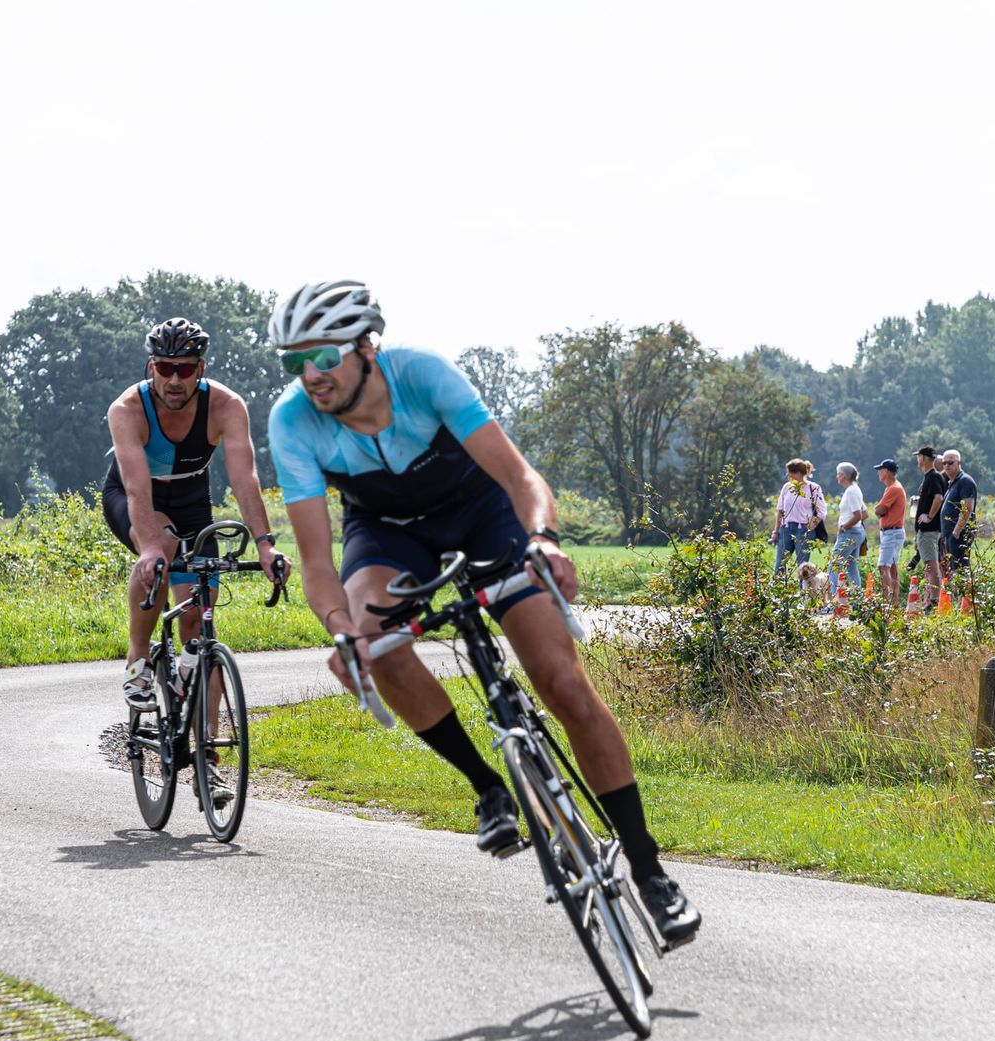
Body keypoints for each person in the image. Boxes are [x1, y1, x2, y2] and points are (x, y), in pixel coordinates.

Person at [265, 280, 700, 944]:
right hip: (386, 532)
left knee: (564, 686)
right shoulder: (292, 420)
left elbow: (520, 477)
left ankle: (650, 872)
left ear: (365, 347)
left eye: (322, 356)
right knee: (374, 637)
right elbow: (319, 565)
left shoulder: (423, 373)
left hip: (480, 512)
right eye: (294, 362)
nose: (310, 376)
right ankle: (487, 786)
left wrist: (545, 541)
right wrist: (339, 627)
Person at [104, 318, 291, 714]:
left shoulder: (226, 406)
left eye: (185, 368)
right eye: (164, 368)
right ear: (151, 367)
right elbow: (137, 487)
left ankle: (209, 748)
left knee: (198, 617)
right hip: (134, 497)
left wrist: (264, 546)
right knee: (164, 548)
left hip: (192, 501)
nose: (174, 379)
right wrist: (150, 547)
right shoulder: (127, 409)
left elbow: (245, 479)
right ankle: (138, 660)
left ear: (200, 370)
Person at [772, 459, 827, 579]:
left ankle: (803, 594)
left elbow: (822, 511)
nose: (788, 475)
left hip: (803, 531)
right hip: (785, 529)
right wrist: (775, 531)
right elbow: (780, 510)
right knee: (779, 565)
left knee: (803, 567)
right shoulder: (786, 487)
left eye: (789, 472)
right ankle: (777, 594)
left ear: (797, 473)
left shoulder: (814, 488)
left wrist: (813, 524)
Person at [912, 446, 947, 610]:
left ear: (924, 458)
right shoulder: (930, 477)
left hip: (929, 530)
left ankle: (935, 601)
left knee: (932, 565)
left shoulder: (933, 477)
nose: (917, 460)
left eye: (918, 457)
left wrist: (930, 516)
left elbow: (938, 498)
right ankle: (932, 598)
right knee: (929, 565)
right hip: (926, 531)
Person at [872, 459, 907, 605]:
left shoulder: (893, 488)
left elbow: (879, 510)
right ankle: (894, 602)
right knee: (892, 566)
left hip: (891, 533)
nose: (878, 473)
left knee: (883, 566)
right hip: (894, 532)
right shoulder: (893, 488)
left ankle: (886, 601)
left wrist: (878, 509)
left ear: (886, 471)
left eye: (880, 469)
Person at [940, 450, 978, 578]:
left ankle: (965, 596)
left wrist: (956, 531)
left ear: (959, 463)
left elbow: (967, 508)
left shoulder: (965, 481)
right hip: (950, 534)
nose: (946, 466)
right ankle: (958, 596)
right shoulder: (953, 482)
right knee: (953, 569)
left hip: (959, 534)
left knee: (960, 569)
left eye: (950, 462)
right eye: (944, 463)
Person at [830, 462, 867, 593]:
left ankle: (834, 600)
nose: (837, 477)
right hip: (856, 532)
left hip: (849, 533)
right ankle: (857, 599)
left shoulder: (851, 491)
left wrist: (844, 526)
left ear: (843, 475)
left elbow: (858, 515)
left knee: (834, 565)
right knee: (851, 567)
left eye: (838, 474)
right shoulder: (855, 489)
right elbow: (865, 513)